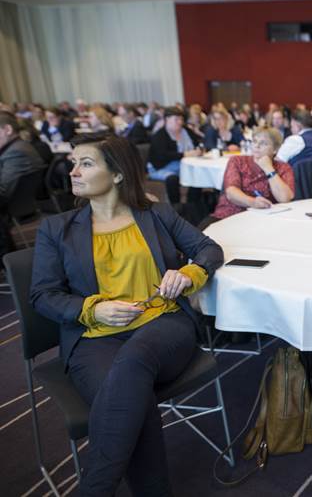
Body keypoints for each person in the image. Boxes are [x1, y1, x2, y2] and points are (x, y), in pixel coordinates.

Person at [30, 133, 223, 496]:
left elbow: (209, 250)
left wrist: (188, 274)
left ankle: (94, 489)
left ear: (117, 173)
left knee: (132, 366)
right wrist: (92, 308)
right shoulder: (57, 229)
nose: (73, 172)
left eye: (86, 163)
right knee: (132, 399)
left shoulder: (156, 214)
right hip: (93, 338)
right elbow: (42, 295)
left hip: (163, 324)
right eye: (74, 163)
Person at [200, 127, 294, 229]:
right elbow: (231, 192)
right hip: (228, 215)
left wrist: (268, 169)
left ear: (275, 149)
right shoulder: (237, 161)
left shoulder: (283, 168)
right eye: (255, 141)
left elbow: (285, 198)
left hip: (263, 221)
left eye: (263, 143)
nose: (257, 146)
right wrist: (253, 202)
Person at [0, 112, 47, 255]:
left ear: (7, 130)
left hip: (13, 206)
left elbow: (3, 192)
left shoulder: (16, 153)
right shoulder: (17, 147)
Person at [147, 107, 202, 204]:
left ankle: (192, 204)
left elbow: (198, 143)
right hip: (160, 167)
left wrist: (199, 150)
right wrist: (185, 154)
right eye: (176, 119)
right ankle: (176, 207)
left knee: (198, 174)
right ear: (167, 119)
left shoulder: (186, 131)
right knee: (173, 179)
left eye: (181, 119)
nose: (180, 122)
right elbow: (162, 155)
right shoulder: (159, 136)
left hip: (182, 166)